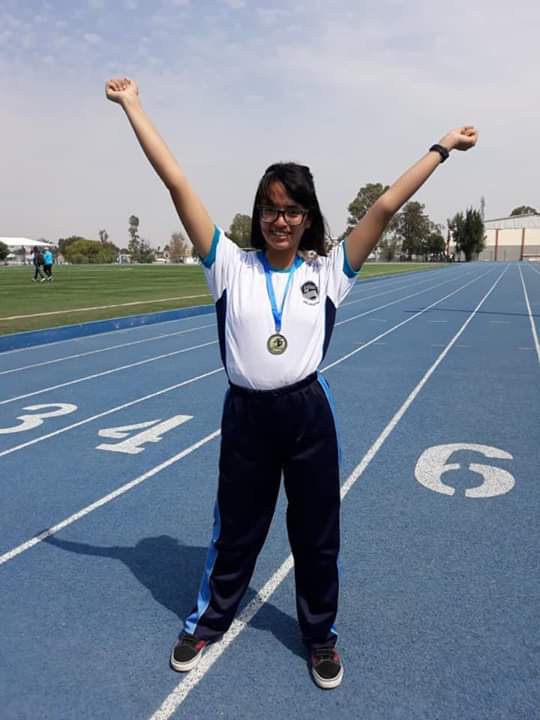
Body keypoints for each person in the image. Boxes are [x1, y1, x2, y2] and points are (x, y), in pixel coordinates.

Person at [105, 76, 477, 689]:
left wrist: (439, 148)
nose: (281, 219)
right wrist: (135, 107)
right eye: (271, 208)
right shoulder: (228, 265)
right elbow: (176, 183)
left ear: (308, 218)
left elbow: (385, 207)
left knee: (317, 533)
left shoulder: (329, 272)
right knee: (236, 531)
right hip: (248, 417)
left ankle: (319, 636)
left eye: (292, 209)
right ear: (259, 214)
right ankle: (206, 621)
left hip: (307, 416)